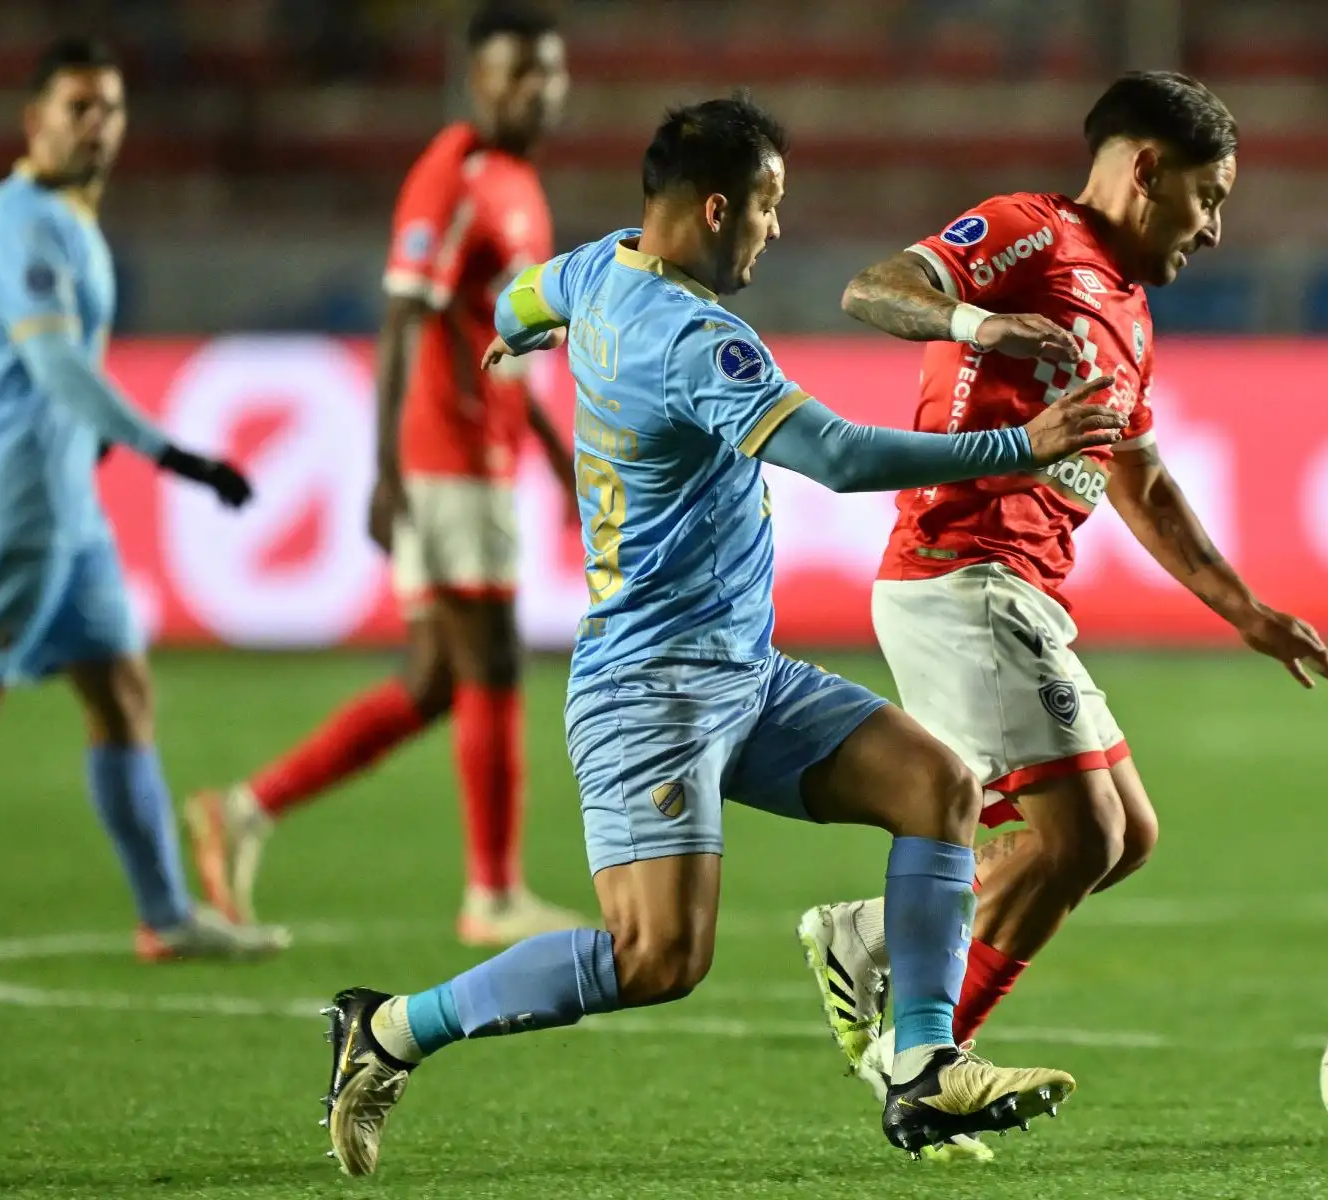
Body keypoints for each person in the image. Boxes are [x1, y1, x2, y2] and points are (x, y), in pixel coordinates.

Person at [315, 94, 1132, 1175]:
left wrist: (511, 329)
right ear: (712, 208)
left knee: (933, 784)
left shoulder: (600, 266)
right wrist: (1018, 442)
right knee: (658, 958)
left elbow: (523, 292)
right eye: (767, 206)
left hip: (741, 674)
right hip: (648, 690)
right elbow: (834, 457)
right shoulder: (692, 336)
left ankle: (925, 1060)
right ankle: (387, 1029)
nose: (774, 229)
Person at [797, 71, 1328, 1161]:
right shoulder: (1029, 233)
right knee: (1081, 833)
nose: (1217, 227)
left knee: (1124, 838)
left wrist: (1247, 611)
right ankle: (926, 1068)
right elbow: (872, 289)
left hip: (1020, 594)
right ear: (1147, 168)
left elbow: (1142, 482)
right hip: (961, 571)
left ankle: (870, 938)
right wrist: (976, 321)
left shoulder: (1130, 312)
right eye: (1211, 194)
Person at [187, 3, 582, 946]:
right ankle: (491, 894)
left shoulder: (520, 185)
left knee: (436, 680)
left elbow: (501, 337)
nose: (539, 90)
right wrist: (384, 469)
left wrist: (557, 458)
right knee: (487, 659)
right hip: (442, 454)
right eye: (518, 73)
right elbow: (405, 318)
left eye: (550, 73)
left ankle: (243, 810)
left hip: (482, 448)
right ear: (474, 80)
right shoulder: (450, 178)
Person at [0, 36, 288, 961]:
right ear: (35, 121)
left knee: (120, 687)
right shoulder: (17, 220)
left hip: (70, 512)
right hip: (16, 512)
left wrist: (95, 440)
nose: (97, 125)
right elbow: (55, 361)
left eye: (110, 108)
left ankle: (167, 917)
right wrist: (171, 454)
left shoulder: (70, 217)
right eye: (78, 108)